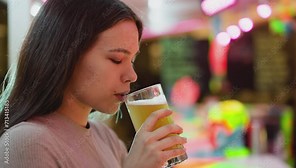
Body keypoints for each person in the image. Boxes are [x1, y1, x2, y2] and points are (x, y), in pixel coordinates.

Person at [0, 0, 187, 167]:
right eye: (116, 59)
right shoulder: (26, 143)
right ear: (66, 56)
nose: (132, 75)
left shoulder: (105, 136)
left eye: (132, 61)